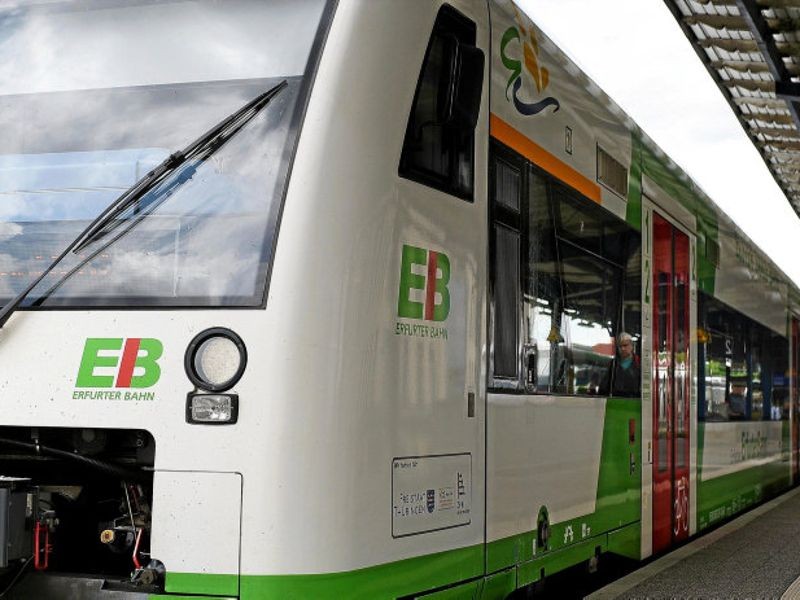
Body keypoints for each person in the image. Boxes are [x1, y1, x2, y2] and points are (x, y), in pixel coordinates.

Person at [601, 332, 641, 397]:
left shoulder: (639, 363)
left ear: (632, 345)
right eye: (620, 346)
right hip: (615, 399)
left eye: (625, 345)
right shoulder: (613, 364)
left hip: (633, 400)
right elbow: (604, 385)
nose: (622, 349)